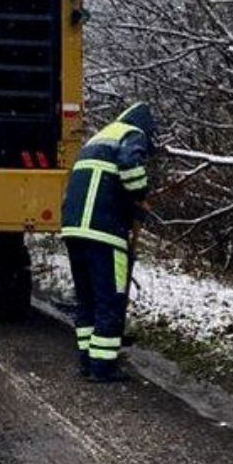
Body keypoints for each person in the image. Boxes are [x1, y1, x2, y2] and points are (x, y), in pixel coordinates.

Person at [59, 102, 160, 382]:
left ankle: (87, 361)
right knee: (110, 300)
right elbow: (129, 165)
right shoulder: (132, 133)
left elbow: (104, 183)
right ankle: (103, 368)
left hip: (75, 230)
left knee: (87, 300)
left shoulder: (99, 139)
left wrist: (131, 207)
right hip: (104, 233)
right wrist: (140, 193)